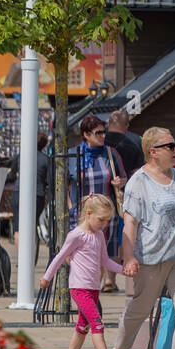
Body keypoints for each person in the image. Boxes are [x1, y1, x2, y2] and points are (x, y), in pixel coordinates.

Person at [109, 126, 175, 349]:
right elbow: (130, 222)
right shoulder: (138, 182)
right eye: (170, 146)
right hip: (151, 257)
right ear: (153, 152)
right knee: (140, 308)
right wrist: (128, 257)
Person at [39, 193, 123, 349]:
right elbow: (60, 256)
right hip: (79, 288)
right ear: (88, 213)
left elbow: (105, 261)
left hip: (93, 288)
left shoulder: (99, 235)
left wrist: (124, 270)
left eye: (107, 221)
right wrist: (47, 277)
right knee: (96, 323)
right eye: (101, 220)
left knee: (82, 327)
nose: (104, 224)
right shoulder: (76, 235)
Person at [69, 114, 127, 292]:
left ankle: (92, 296)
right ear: (86, 134)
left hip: (105, 216)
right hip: (83, 215)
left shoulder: (111, 153)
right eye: (98, 133)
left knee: (99, 257)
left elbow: (124, 177)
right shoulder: (73, 154)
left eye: (104, 132)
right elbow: (64, 183)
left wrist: (120, 182)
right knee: (84, 258)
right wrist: (71, 208)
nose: (103, 136)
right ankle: (86, 296)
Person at [105, 110, 144, 177]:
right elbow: (138, 169)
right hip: (129, 184)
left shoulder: (98, 140)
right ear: (127, 125)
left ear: (109, 123)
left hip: (104, 184)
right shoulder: (136, 140)